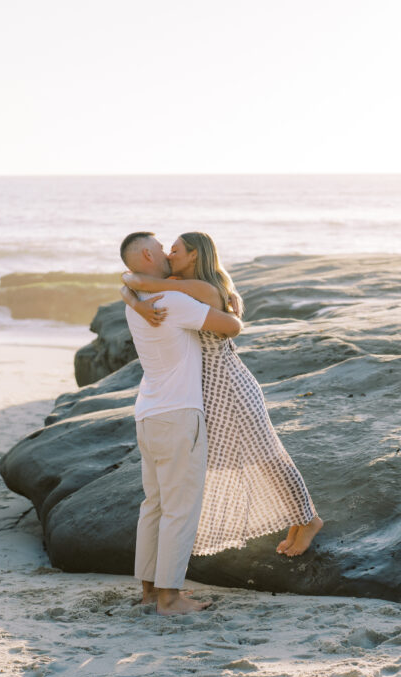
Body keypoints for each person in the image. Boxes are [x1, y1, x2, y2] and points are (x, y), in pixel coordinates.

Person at [121, 232, 324, 560]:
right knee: (248, 457)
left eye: (175, 250)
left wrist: (136, 298)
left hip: (229, 384)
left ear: (194, 256)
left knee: (266, 455)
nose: (169, 255)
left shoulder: (202, 289)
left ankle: (309, 519)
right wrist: (133, 300)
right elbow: (131, 280)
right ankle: (298, 518)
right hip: (209, 389)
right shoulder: (182, 285)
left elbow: (139, 281)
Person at [119, 231, 243, 616]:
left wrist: (133, 292)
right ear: (147, 255)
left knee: (154, 506)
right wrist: (231, 302)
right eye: (160, 248)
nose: (166, 253)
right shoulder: (172, 300)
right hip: (179, 414)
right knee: (180, 509)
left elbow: (128, 283)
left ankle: (148, 593)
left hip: (148, 413)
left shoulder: (137, 303)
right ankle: (170, 599)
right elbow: (231, 327)